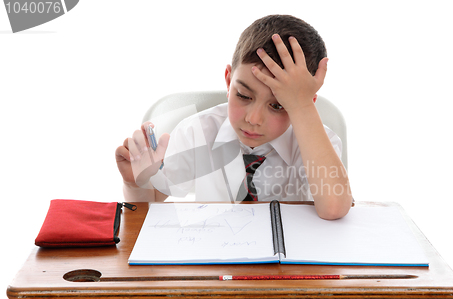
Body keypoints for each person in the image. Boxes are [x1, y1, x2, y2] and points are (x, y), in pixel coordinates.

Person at [115, 15, 353, 219]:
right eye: (243, 95)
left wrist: (301, 107)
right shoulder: (198, 131)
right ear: (229, 81)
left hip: (288, 268)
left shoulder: (319, 143)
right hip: (216, 261)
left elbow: (333, 208)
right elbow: (152, 202)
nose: (254, 118)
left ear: (306, 104)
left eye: (278, 106)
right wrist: (136, 183)